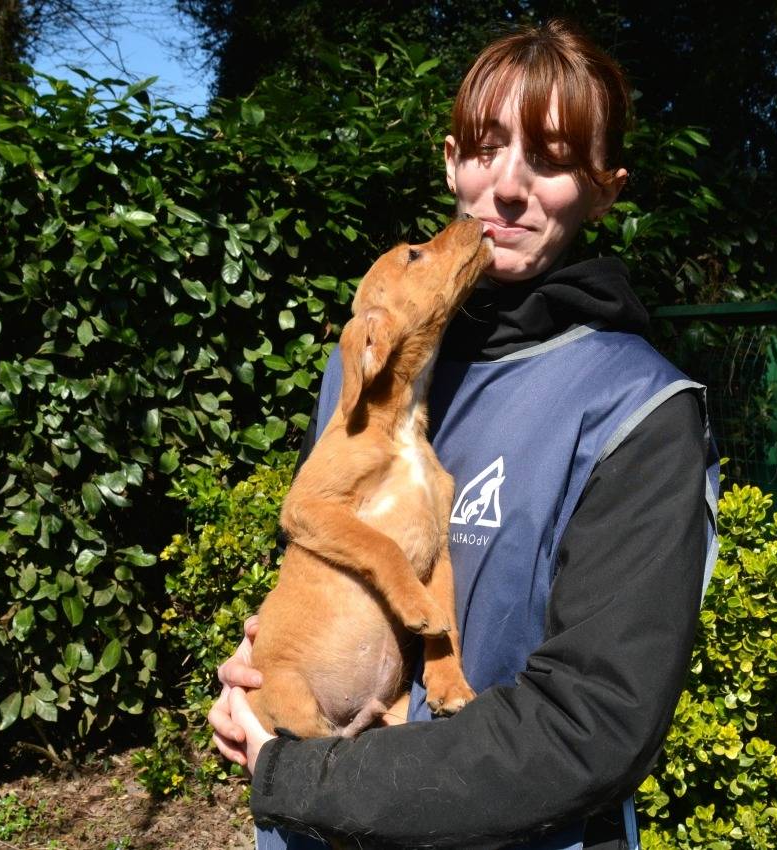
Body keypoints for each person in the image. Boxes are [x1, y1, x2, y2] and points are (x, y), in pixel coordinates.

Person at [208, 19, 719, 850]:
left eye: (550, 158)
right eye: (485, 148)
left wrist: (296, 774)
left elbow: (589, 727)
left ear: (606, 186)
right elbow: (321, 558)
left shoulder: (638, 411)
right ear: (451, 160)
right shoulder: (364, 369)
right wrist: (260, 673)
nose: (506, 187)